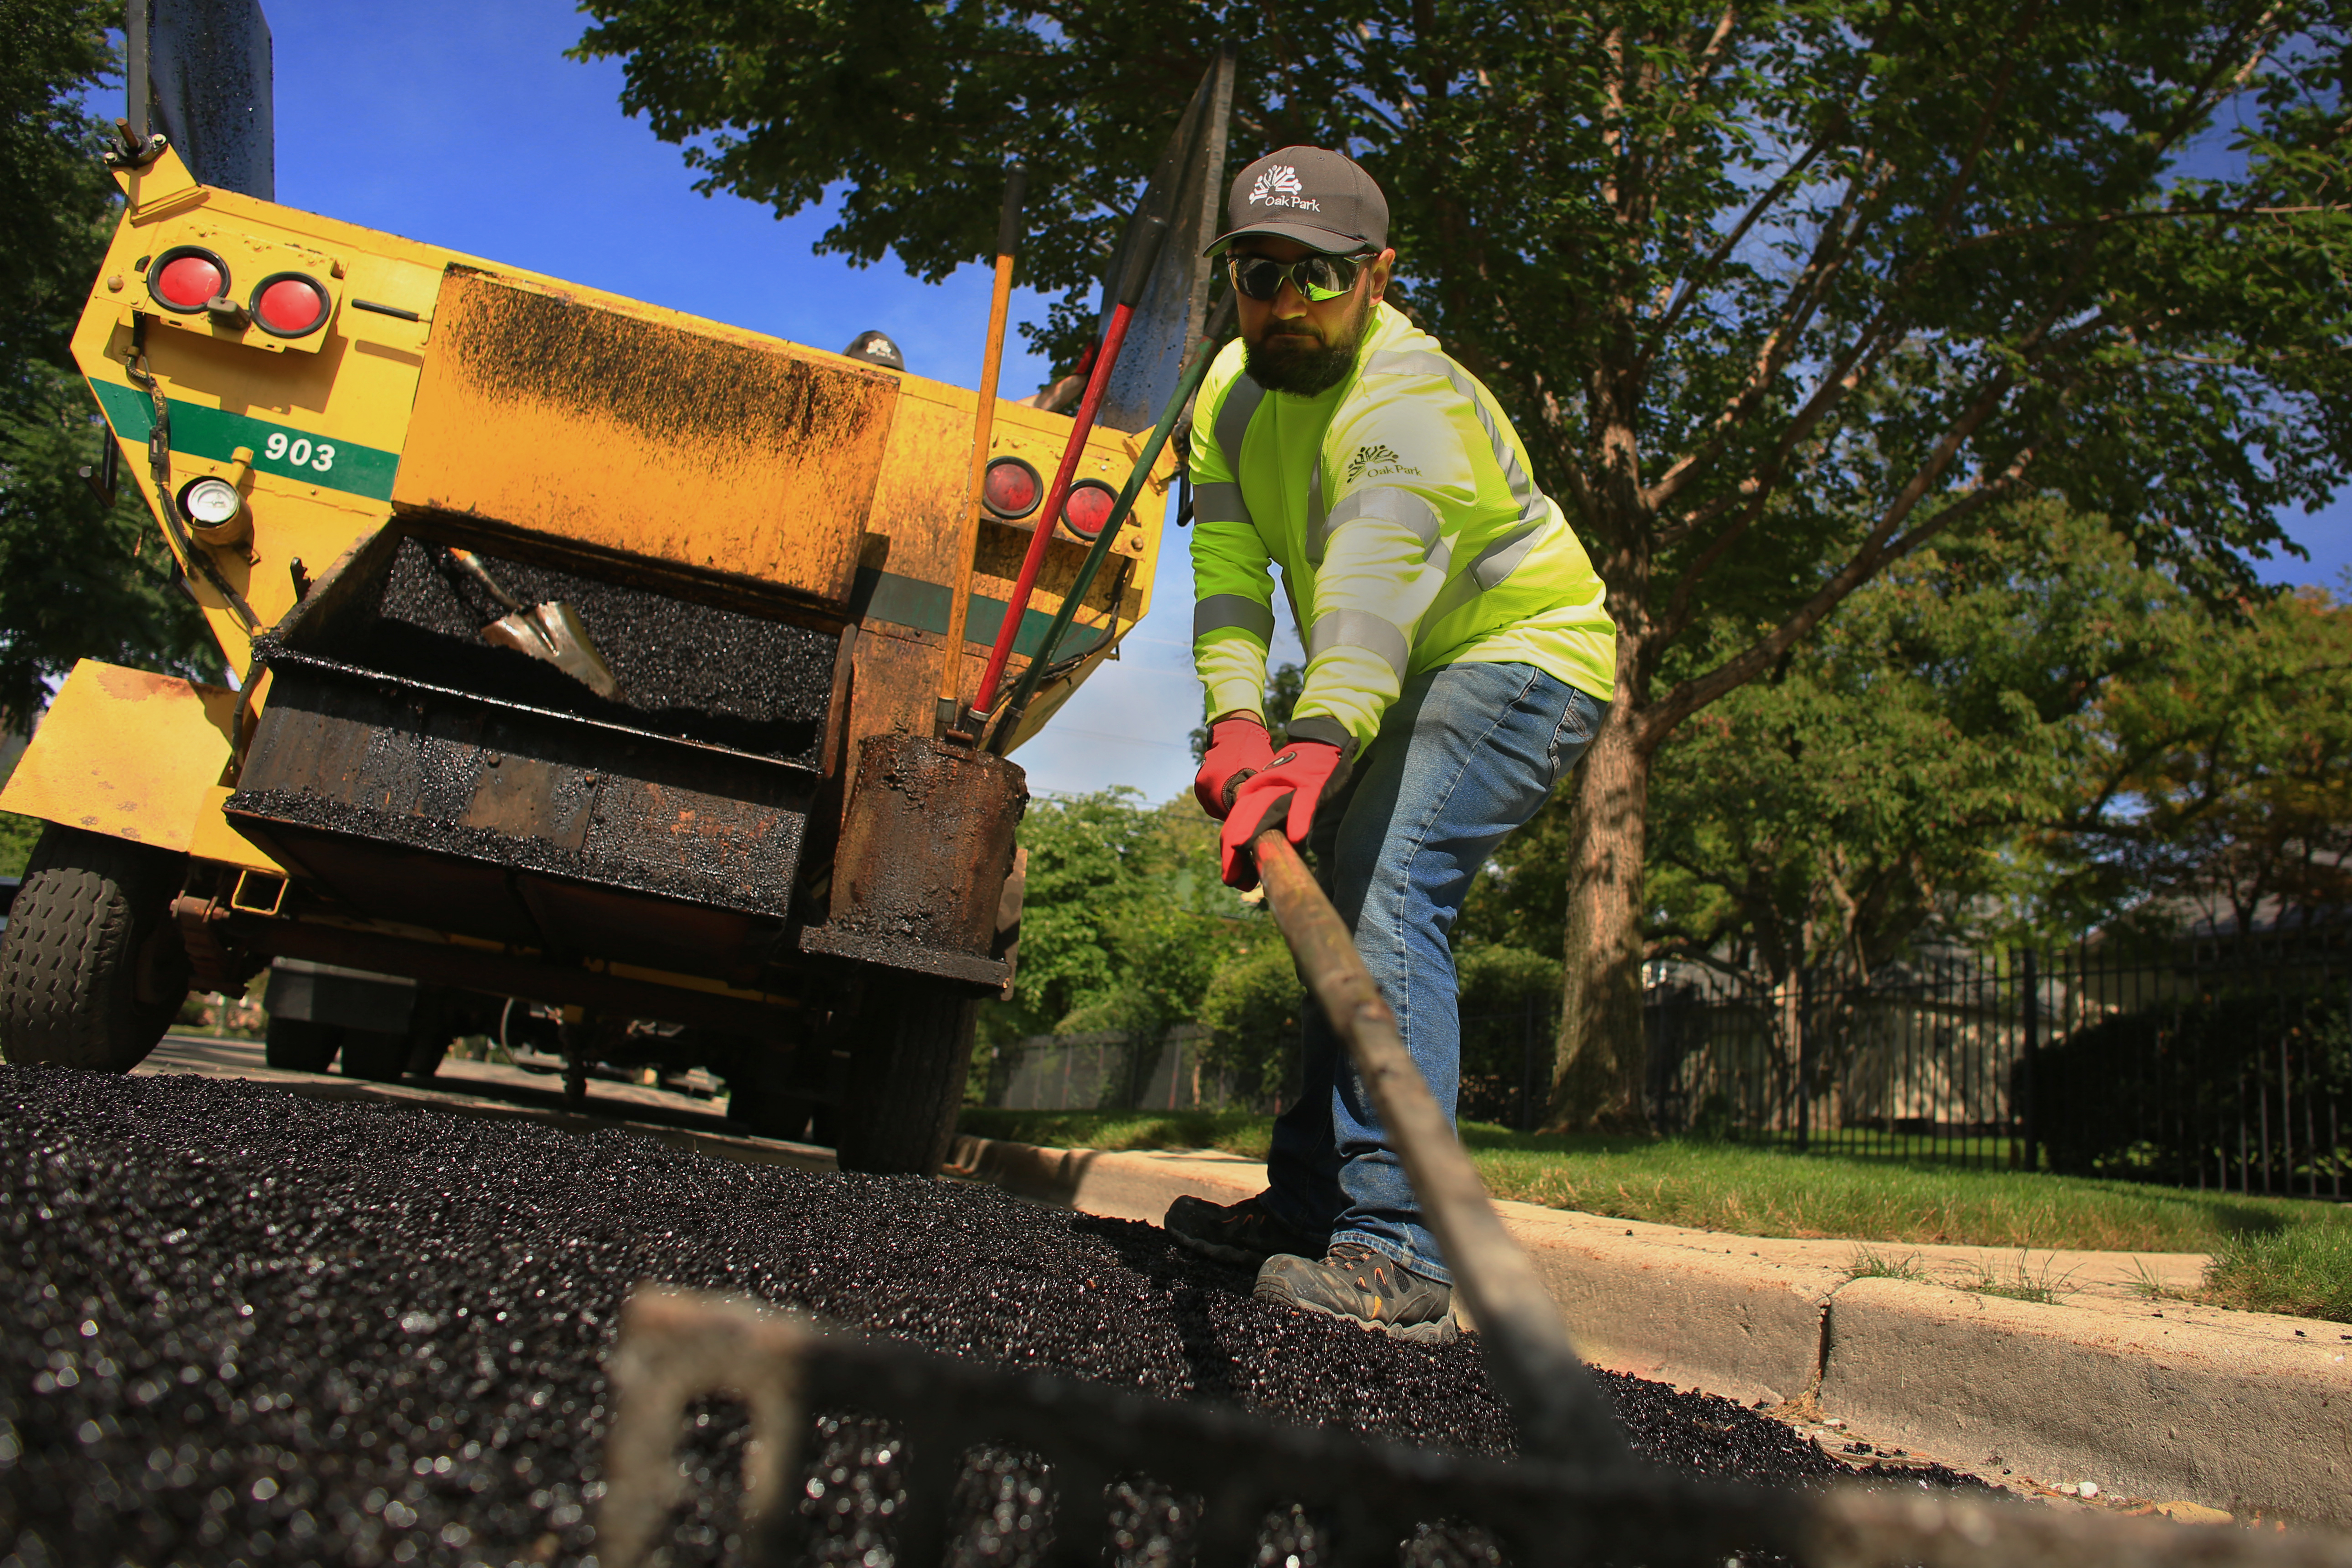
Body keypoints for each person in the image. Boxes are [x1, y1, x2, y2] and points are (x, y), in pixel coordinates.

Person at [1163, 147, 1617, 1342]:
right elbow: (1225, 572)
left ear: (1378, 276)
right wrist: (1238, 724)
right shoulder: (1226, 394)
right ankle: (1314, 1206)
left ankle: (1402, 1250)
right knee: (1350, 888)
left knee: (1387, 889)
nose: (1290, 302)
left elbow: (1367, 590)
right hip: (1404, 671)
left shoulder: (1410, 398)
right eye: (1263, 274)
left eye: (1323, 276)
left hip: (1524, 656)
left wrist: (1308, 749)